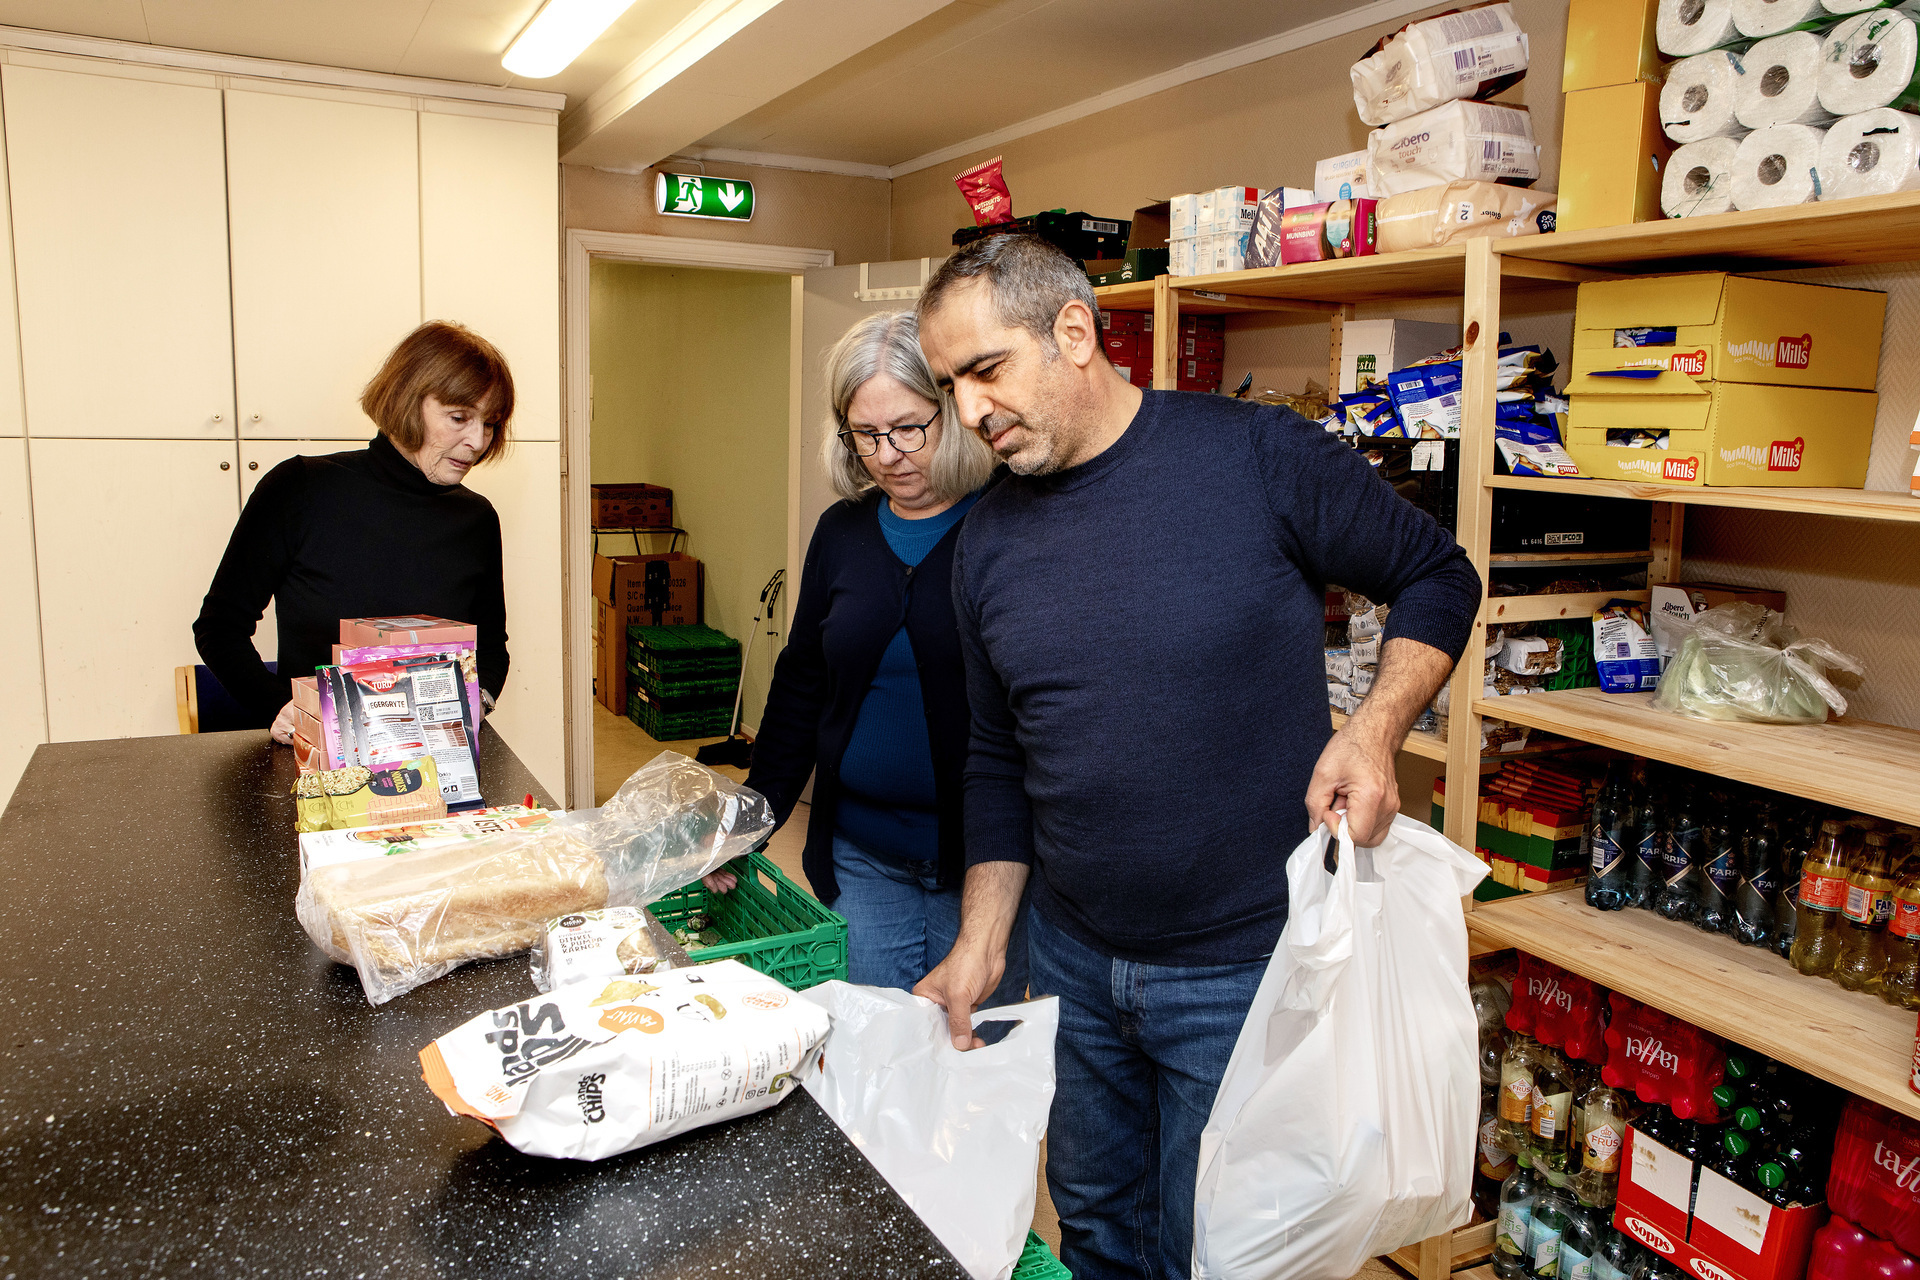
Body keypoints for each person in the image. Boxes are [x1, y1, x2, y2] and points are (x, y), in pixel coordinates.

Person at [911, 235, 1483, 1280]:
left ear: (1073, 332)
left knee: (1218, 1249)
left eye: (986, 369)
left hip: (1243, 970)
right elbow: (997, 755)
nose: (970, 409)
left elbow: (1438, 574)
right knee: (1096, 1231)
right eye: (951, 385)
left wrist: (1372, 728)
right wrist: (984, 938)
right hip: (1073, 963)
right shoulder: (984, 542)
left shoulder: (1255, 456)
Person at [744, 309, 1026, 1002]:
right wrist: (751, 822)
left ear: (952, 410)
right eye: (865, 434)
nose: (888, 454)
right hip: (861, 857)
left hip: (985, 866)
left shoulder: (1013, 523)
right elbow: (803, 683)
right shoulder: (841, 533)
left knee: (968, 1054)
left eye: (907, 428)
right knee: (872, 1053)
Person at [194, 321, 515, 740]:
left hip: (438, 754)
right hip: (321, 755)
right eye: (459, 417)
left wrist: (478, 704)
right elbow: (219, 628)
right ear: (406, 401)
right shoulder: (300, 488)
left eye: (489, 424)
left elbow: (490, 648)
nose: (478, 441)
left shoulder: (478, 518)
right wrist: (278, 706)